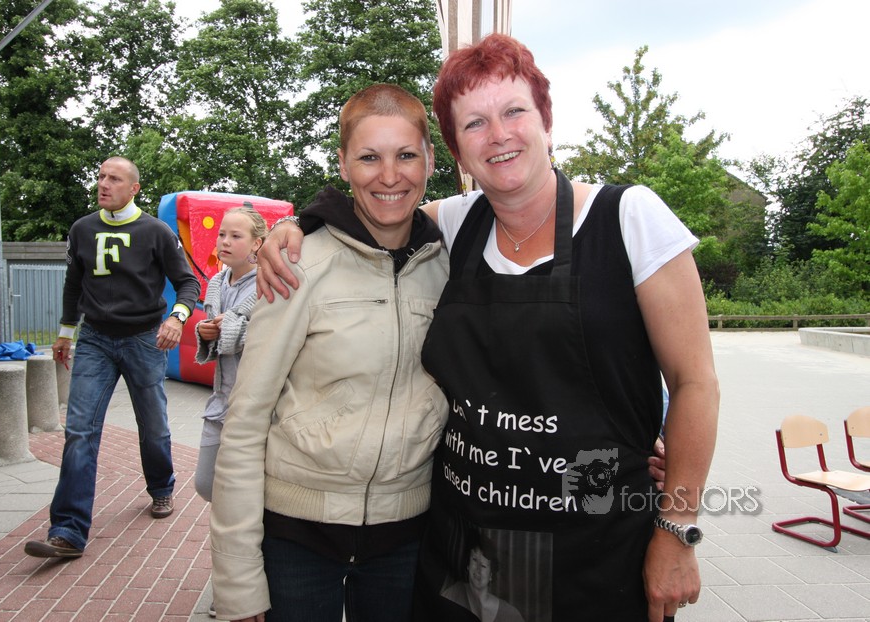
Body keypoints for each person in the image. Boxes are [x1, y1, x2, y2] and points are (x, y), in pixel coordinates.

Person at [256, 34, 719, 622]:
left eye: (514, 111)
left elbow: (696, 383)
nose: (498, 135)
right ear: (456, 150)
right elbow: (367, 214)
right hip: (463, 549)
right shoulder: (453, 223)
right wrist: (296, 226)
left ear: (546, 119)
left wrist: (678, 530)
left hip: (597, 549)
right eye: (474, 123)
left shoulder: (629, 218)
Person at [209, 84, 449, 622]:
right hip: (297, 539)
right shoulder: (297, 263)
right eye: (369, 157)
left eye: (406, 155)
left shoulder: (447, 266)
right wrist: (238, 582)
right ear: (343, 164)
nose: (390, 176)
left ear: (430, 160)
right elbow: (244, 423)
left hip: (406, 540)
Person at [24, 156, 200, 559]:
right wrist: (65, 332)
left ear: (134, 188)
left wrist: (177, 318)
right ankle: (67, 531)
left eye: (114, 179)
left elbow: (188, 282)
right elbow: (73, 284)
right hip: (95, 340)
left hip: (144, 340)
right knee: (79, 430)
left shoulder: (156, 232)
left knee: (153, 426)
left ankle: (161, 487)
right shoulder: (82, 229)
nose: (104, 184)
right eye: (101, 176)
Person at [194, 205, 267, 502]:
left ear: (256, 244)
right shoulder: (216, 283)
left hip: (255, 406)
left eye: (236, 236)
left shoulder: (269, 283)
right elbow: (218, 339)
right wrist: (205, 332)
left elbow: (275, 337)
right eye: (221, 234)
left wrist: (234, 328)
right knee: (206, 484)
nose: (224, 241)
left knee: (247, 492)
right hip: (221, 399)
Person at [441, 540, 525, 622]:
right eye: (474, 560)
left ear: (491, 575)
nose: (478, 569)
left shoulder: (509, 614)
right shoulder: (453, 594)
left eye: (483, 566)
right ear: (468, 565)